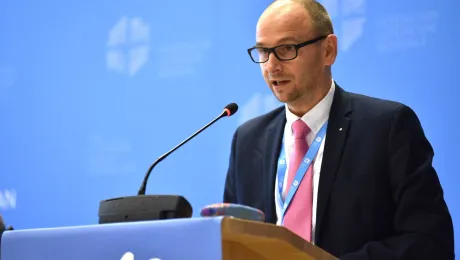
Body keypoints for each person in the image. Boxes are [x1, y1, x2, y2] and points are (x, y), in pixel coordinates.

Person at [222, 0, 455, 259]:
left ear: (328, 50)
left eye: (286, 49)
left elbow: (430, 241)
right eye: (263, 52)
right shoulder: (247, 141)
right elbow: (232, 243)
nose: (272, 66)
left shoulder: (387, 127)